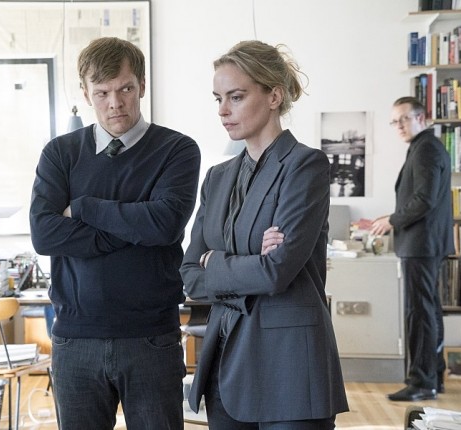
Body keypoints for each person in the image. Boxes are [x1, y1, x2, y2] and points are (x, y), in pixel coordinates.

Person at [29, 36, 201, 430]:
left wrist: (84, 208)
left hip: (151, 338)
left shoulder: (177, 150)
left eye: (125, 89)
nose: (115, 103)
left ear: (142, 85)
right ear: (85, 93)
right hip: (75, 339)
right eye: (102, 92)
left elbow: (165, 225)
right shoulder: (59, 153)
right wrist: (133, 226)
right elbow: (44, 235)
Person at [179, 40, 349, 430]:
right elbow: (190, 274)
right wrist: (249, 260)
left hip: (290, 366)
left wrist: (215, 261)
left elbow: (276, 272)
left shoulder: (305, 165)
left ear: (274, 96)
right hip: (225, 363)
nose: (223, 110)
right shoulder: (217, 178)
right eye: (218, 98)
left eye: (236, 97)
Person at [370, 96, 453, 401]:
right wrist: (390, 218)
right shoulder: (425, 147)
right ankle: (433, 377)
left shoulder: (426, 148)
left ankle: (421, 382)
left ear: (421, 117)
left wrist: (391, 220)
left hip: (421, 245)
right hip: (425, 244)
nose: (399, 126)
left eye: (404, 118)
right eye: (395, 121)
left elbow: (424, 200)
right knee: (428, 310)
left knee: (419, 313)